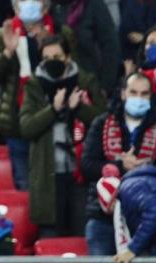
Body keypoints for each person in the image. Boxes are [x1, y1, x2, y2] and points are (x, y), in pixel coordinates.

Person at [82, 72, 156, 263]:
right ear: (123, 93)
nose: (138, 98)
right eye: (133, 92)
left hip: (145, 221)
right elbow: (87, 165)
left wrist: (145, 169)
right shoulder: (101, 122)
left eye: (144, 93)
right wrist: (118, 165)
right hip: (102, 217)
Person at [0, 0, 75, 190]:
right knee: (25, 190)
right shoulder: (0, 36)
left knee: (55, 192)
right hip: (17, 125)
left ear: (46, 6)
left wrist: (49, 49)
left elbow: (75, 75)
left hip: (56, 124)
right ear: (15, 6)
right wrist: (8, 52)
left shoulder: (62, 33)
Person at [20, 34, 106, 237]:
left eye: (57, 56)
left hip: (80, 173)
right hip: (47, 173)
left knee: (82, 232)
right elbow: (26, 127)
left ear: (68, 57)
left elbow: (103, 121)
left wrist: (79, 109)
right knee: (51, 235)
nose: (52, 62)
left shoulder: (85, 81)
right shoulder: (34, 86)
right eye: (47, 58)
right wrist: (53, 109)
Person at [50, 0, 121, 96]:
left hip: (91, 82)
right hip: (60, 84)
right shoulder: (51, 8)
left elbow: (110, 46)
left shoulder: (93, 5)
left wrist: (105, 86)